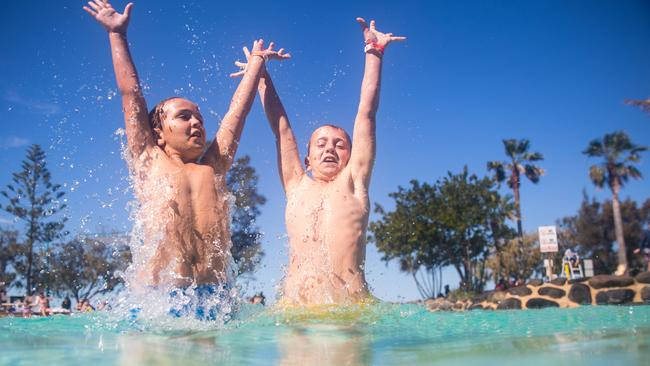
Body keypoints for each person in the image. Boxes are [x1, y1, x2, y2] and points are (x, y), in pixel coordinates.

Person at [83, 0, 289, 317]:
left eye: (199, 117)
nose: (196, 122)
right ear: (159, 131)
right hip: (158, 295)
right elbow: (131, 95)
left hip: (213, 296)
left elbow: (238, 112)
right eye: (183, 117)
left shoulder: (214, 164)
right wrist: (117, 36)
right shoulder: (149, 158)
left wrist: (256, 67)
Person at [233, 18, 404, 305]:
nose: (330, 150)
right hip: (295, 314)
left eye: (340, 145)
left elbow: (366, 114)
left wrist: (373, 52)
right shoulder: (296, 185)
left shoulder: (354, 183)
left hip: (350, 312)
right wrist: (259, 74)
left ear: (352, 155)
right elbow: (282, 129)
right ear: (307, 158)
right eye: (321, 144)